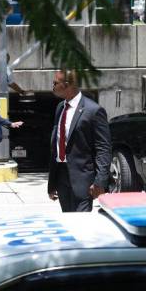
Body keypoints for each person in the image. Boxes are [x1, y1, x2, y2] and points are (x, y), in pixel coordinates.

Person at [48, 69, 112, 212]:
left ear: (67, 85)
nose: (52, 86)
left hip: (83, 178)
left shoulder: (93, 110)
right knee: (68, 222)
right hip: (61, 176)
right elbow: (56, 145)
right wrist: (52, 183)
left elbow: (103, 148)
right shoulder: (60, 108)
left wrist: (100, 181)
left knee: (82, 224)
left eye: (55, 83)